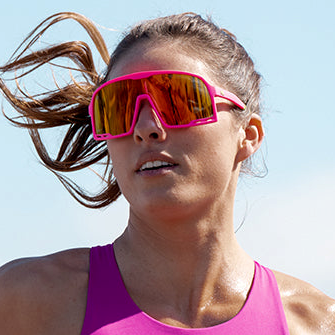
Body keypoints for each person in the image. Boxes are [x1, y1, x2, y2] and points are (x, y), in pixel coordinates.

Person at [0, 11, 334, 335]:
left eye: (179, 99)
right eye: (118, 108)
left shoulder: (316, 325)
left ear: (248, 135)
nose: (146, 128)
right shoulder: (24, 302)